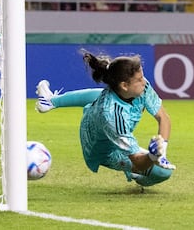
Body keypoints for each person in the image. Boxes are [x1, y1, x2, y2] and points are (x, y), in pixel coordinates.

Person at [35, 50, 176, 188]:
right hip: (103, 149)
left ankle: (51, 101)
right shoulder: (113, 116)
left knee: (99, 97)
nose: (144, 82)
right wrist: (153, 156)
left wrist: (162, 150)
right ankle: (139, 177)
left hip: (99, 112)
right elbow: (138, 161)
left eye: (142, 77)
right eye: (138, 80)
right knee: (163, 172)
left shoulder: (137, 87)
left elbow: (163, 118)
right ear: (124, 85)